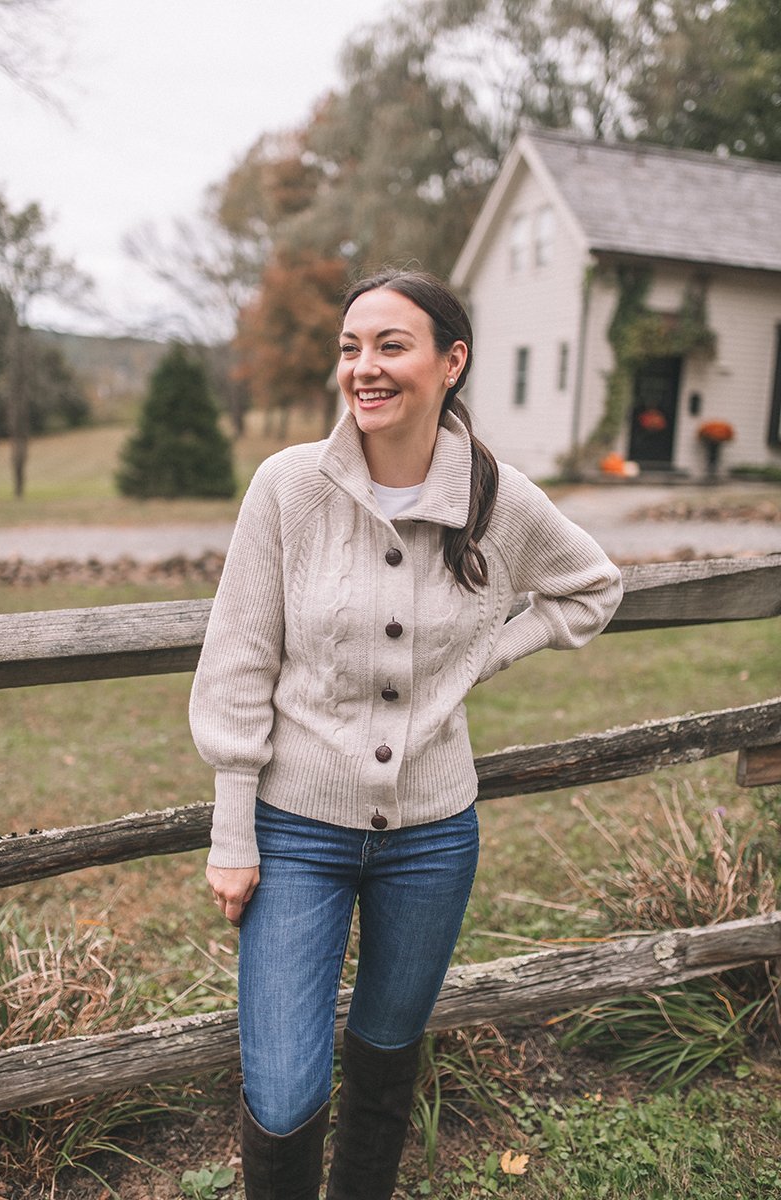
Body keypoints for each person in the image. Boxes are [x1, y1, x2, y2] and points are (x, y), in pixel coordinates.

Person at [189, 268, 623, 1200]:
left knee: (387, 1056)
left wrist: (487, 654)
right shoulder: (289, 488)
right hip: (295, 832)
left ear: (451, 361)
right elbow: (238, 660)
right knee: (282, 1088)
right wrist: (232, 827)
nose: (365, 367)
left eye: (392, 346)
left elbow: (594, 587)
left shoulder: (499, 500)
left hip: (433, 838)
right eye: (351, 348)